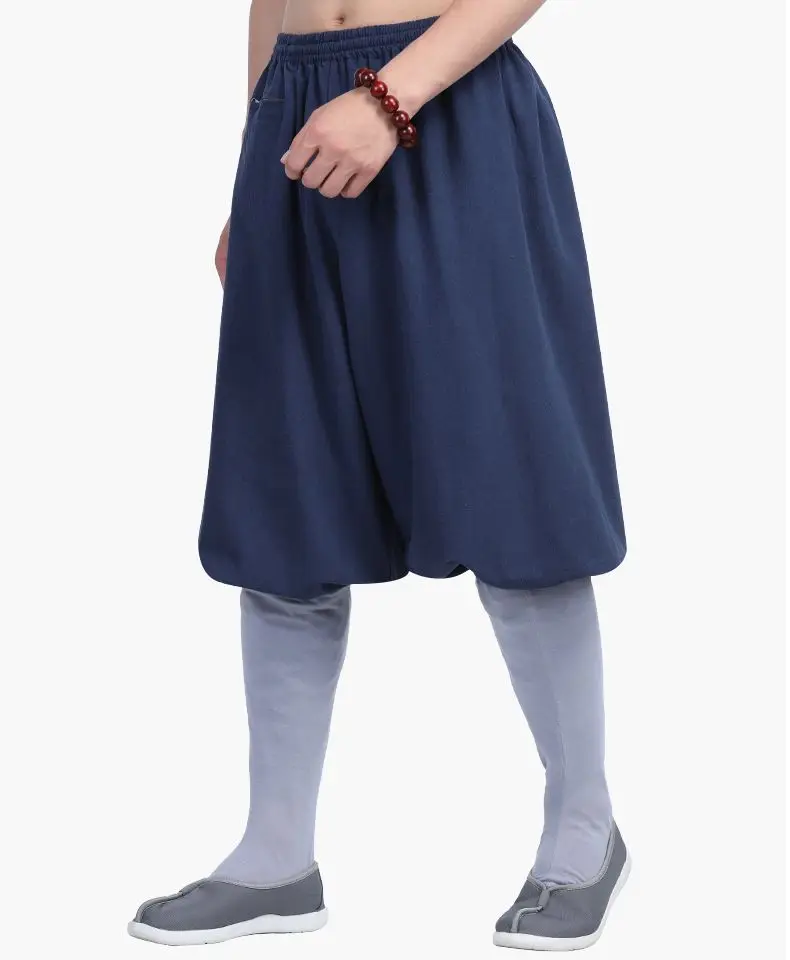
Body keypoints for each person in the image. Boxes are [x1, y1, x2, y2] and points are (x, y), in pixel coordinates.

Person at [128, 0, 630, 951]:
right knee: (286, 490)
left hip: (446, 106)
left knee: (509, 478)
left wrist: (388, 99)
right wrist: (255, 167)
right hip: (301, 120)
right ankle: (276, 859)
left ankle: (585, 827)